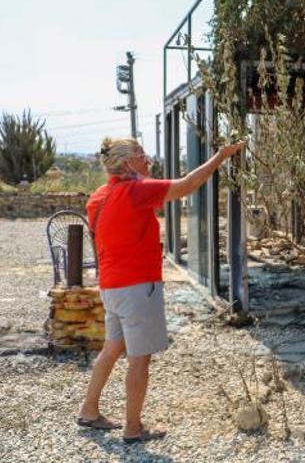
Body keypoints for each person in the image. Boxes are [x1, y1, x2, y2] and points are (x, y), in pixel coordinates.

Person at [77, 136, 244, 443]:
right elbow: (187, 185)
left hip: (111, 287)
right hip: (138, 288)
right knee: (140, 358)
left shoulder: (99, 196)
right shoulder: (136, 190)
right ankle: (133, 427)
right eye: (141, 155)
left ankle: (89, 410)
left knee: (112, 348)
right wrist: (221, 156)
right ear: (127, 163)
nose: (148, 160)